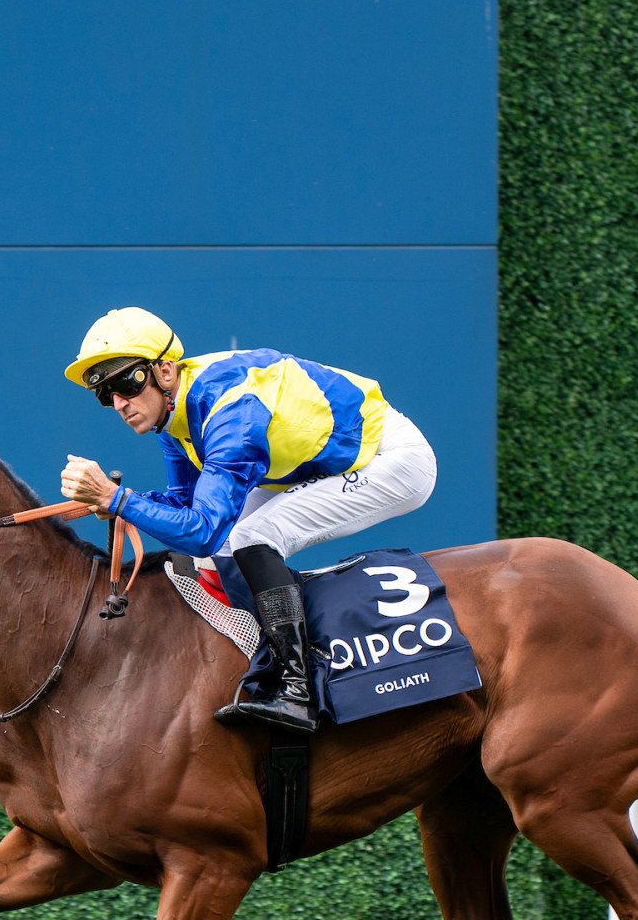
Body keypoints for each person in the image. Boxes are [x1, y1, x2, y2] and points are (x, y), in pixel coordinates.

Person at [59, 307, 437, 733]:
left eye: (127, 382)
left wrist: (118, 499)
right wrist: (119, 503)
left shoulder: (231, 414)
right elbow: (185, 505)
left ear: (165, 371)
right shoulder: (174, 414)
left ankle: (300, 690)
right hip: (319, 461)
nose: (119, 403)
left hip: (389, 459)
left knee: (252, 536)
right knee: (230, 543)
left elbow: (201, 530)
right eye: (105, 394)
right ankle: (267, 660)